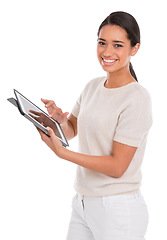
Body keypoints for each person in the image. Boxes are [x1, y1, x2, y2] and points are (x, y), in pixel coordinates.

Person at [37, 11, 152, 240]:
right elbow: (72, 129)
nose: (107, 52)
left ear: (134, 49)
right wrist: (58, 121)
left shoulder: (137, 98)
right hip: (83, 203)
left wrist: (64, 154)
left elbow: (117, 167)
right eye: (102, 43)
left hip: (118, 209)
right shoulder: (92, 86)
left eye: (117, 45)